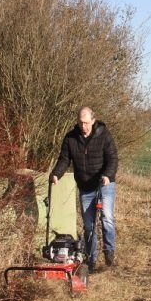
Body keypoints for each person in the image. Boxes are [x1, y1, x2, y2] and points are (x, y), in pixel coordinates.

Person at [50, 106, 118, 272]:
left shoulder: (104, 135)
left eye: (86, 123)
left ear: (93, 121)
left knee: (107, 218)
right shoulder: (70, 138)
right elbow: (64, 159)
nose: (83, 126)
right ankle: (91, 259)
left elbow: (113, 159)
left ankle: (109, 251)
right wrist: (56, 174)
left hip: (104, 184)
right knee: (89, 226)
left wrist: (108, 175)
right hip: (85, 186)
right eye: (80, 123)